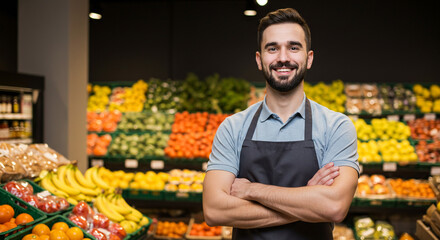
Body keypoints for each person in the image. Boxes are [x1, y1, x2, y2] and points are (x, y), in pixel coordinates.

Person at [202, 8, 359, 240]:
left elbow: (334, 207)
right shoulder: (232, 127)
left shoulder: (335, 126)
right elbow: (214, 210)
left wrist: (251, 190)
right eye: (272, 48)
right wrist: (308, 199)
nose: (283, 57)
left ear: (309, 58)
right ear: (259, 59)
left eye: (294, 47)